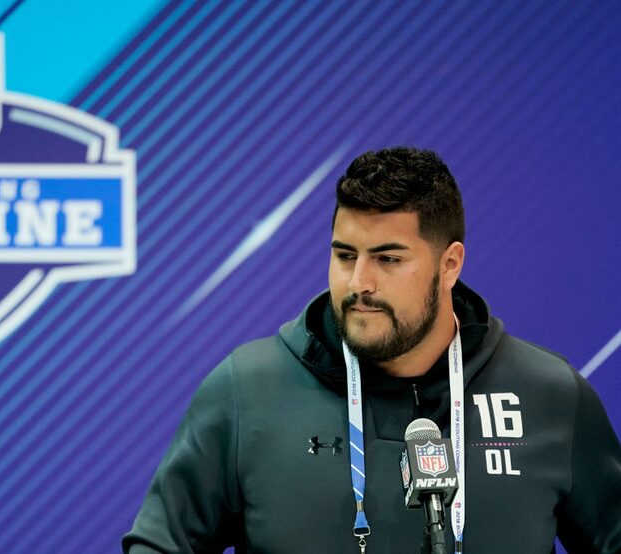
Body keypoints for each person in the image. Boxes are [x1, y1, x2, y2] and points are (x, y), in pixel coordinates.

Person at [122, 147, 621, 553]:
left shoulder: (551, 394)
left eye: (388, 258)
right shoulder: (246, 390)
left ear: (449, 265)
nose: (360, 282)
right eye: (345, 255)